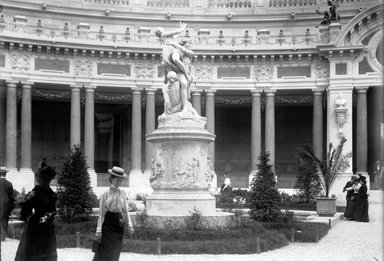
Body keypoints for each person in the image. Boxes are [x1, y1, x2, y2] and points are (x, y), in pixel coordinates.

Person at [15, 166, 58, 261]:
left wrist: (25, 215)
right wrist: (47, 217)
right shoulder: (52, 194)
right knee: (47, 251)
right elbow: (53, 210)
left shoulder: (35, 192)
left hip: (36, 226)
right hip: (47, 225)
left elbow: (26, 210)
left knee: (33, 252)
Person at [93, 166, 134, 261]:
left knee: (116, 251)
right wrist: (98, 230)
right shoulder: (104, 194)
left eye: (121, 180)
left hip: (118, 225)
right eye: (117, 180)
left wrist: (130, 225)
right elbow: (101, 214)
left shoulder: (122, 193)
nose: (119, 182)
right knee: (106, 251)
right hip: (107, 225)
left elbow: (125, 210)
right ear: (111, 179)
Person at [0, 166, 15, 241]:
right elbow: (12, 197)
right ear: (5, 174)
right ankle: (3, 236)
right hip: (6, 204)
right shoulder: (9, 184)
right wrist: (11, 207)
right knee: (5, 219)